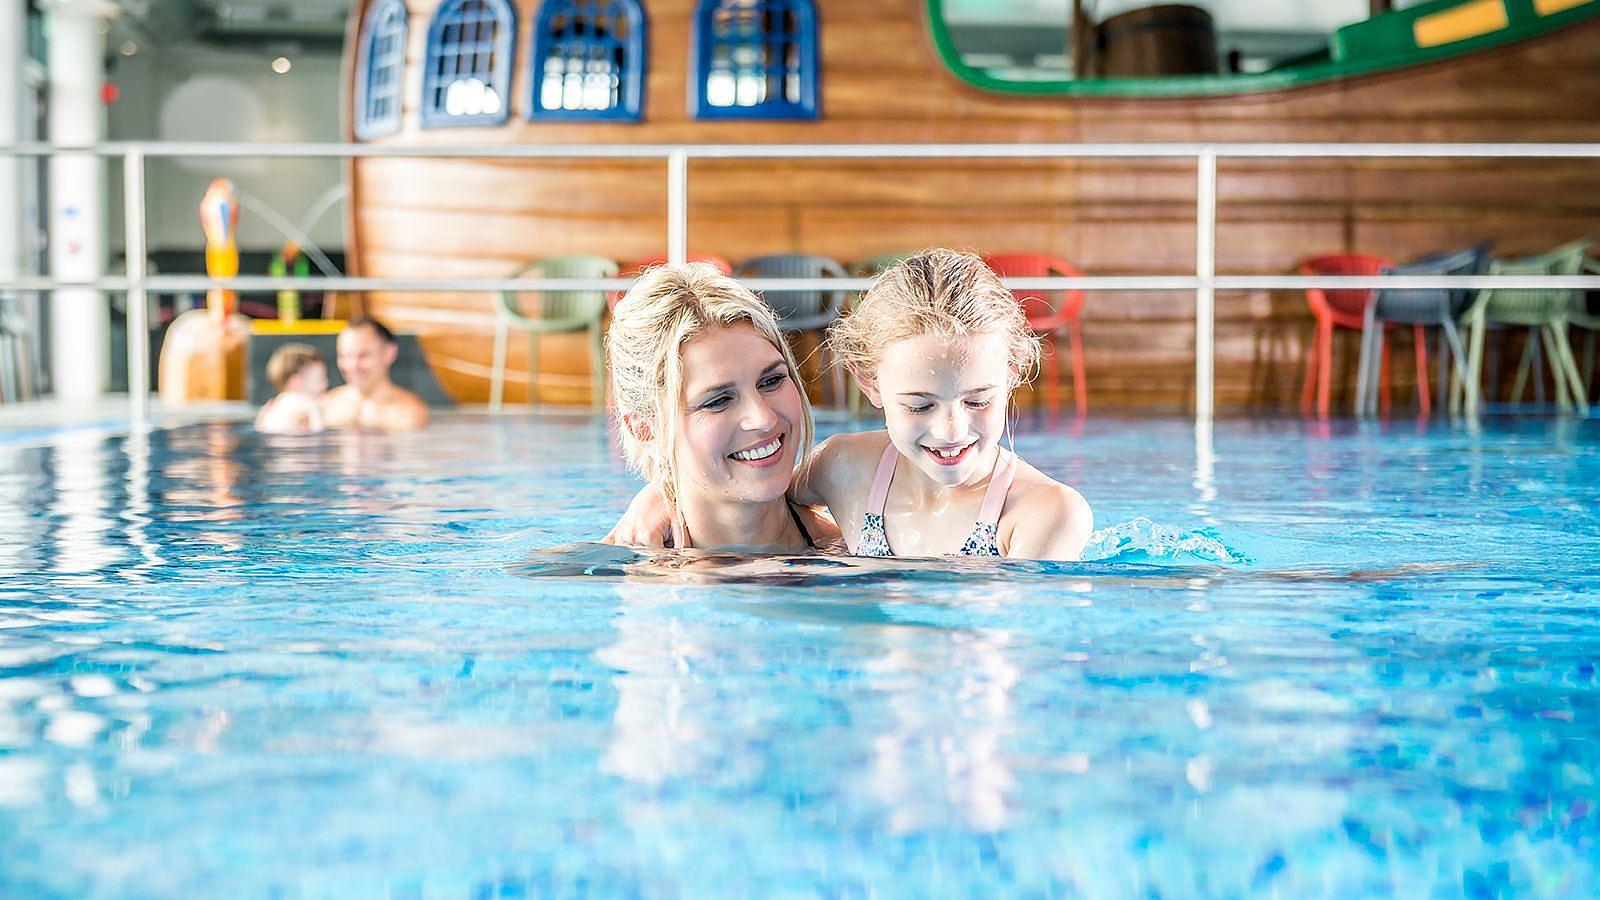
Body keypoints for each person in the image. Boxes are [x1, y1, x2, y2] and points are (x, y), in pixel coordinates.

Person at [611, 249, 1091, 561]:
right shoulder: (846, 472)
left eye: (774, 379)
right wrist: (662, 492)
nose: (950, 429)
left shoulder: (828, 536)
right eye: (717, 400)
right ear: (869, 384)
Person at [601, 263, 837, 553]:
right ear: (647, 431)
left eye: (772, 380)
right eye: (718, 401)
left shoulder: (852, 552)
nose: (762, 418)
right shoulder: (597, 577)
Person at [321, 316, 430, 431]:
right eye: (345, 356)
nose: (353, 366)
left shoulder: (408, 413)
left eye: (363, 355)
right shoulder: (325, 405)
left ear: (389, 353)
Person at [254, 342, 328, 434]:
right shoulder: (308, 402)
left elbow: (261, 428)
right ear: (296, 382)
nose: (326, 384)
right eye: (320, 378)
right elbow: (319, 430)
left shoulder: (272, 405)